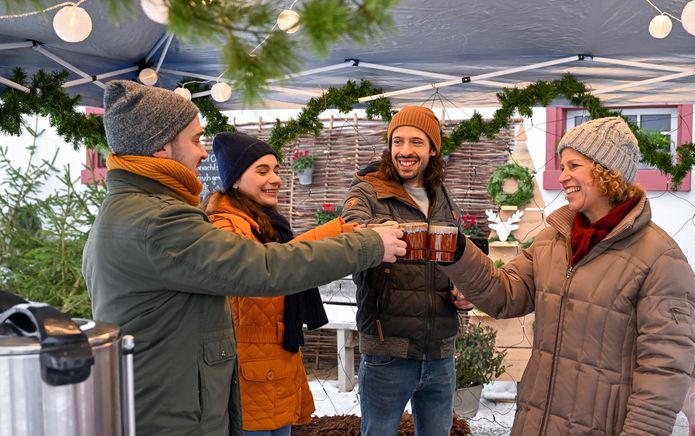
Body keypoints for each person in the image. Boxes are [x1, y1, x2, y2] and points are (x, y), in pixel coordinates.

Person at [82, 80, 406, 436]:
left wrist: (346, 231)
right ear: (161, 146)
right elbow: (265, 267)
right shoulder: (160, 221)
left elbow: (273, 256)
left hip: (170, 401)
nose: (203, 153)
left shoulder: (130, 210)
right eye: (194, 140)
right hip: (174, 415)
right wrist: (368, 246)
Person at [441, 116, 695, 435]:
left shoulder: (660, 258)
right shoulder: (553, 240)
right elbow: (504, 296)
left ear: (608, 172)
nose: (562, 177)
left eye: (573, 165)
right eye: (562, 166)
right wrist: (456, 250)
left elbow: (664, 373)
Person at [205, 132, 354, 436]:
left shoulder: (262, 221)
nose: (275, 179)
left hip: (276, 366)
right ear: (234, 179)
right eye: (262, 171)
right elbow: (272, 266)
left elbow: (285, 256)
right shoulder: (225, 227)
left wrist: (343, 228)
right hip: (252, 374)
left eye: (276, 170)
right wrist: (344, 234)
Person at [341, 106, 468, 435]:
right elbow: (348, 237)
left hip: (440, 351)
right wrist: (382, 233)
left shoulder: (442, 196)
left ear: (433, 149)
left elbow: (456, 256)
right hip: (387, 352)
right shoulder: (367, 191)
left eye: (416, 142)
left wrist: (463, 289)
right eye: (398, 141)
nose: (405, 151)